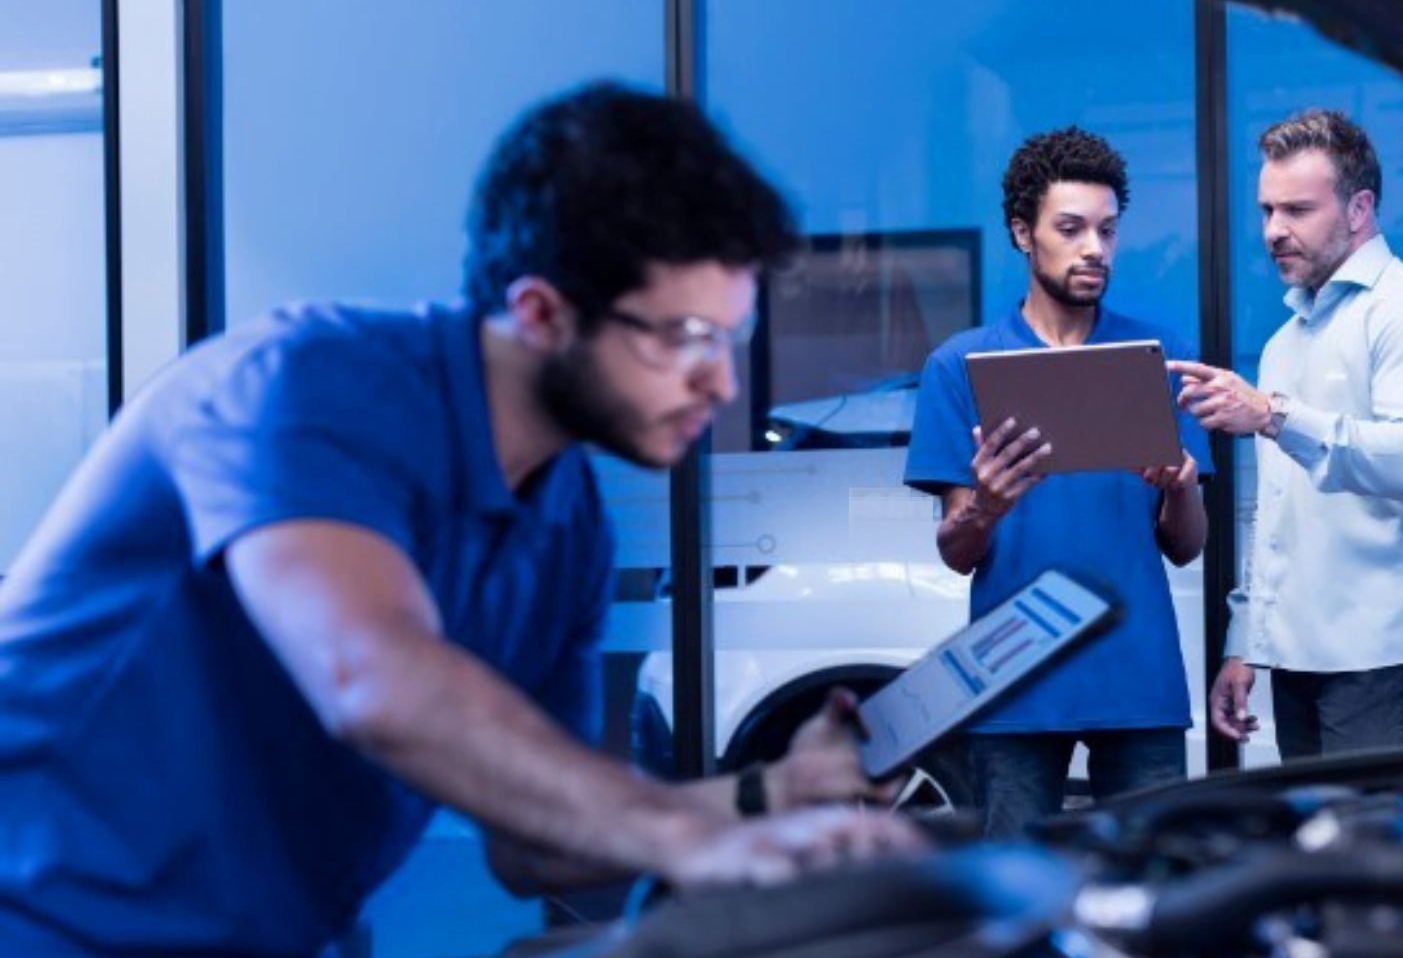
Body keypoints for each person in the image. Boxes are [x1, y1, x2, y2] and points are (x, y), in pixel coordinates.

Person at [0, 82, 921, 958]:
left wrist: (767, 795)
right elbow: (373, 678)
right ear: (541, 313)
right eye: (685, 339)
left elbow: (538, 849)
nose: (719, 382)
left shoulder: (566, 523)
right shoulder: (302, 386)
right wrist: (686, 833)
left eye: (731, 338)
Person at [903, 127, 1212, 839]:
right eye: (1071, 229)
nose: (1094, 249)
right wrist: (987, 506)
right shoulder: (961, 365)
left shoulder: (1160, 359)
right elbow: (956, 551)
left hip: (1139, 676)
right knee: (1021, 896)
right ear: (1022, 233)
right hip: (1014, 679)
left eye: (1107, 230)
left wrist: (1182, 487)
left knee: (1157, 882)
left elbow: (1186, 545)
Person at [1169, 108, 1403, 760]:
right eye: (1266, 211)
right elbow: (1280, 514)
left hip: (1385, 656)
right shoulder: (1287, 342)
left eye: (1297, 210)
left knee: (1367, 856)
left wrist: (1277, 416)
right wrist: (1244, 644)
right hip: (1300, 658)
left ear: (1359, 208)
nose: (1274, 231)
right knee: (1321, 852)